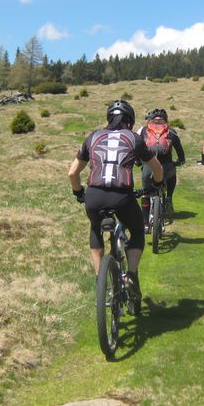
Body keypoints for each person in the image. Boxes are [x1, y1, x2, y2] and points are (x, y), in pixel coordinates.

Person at [68, 100, 163, 302]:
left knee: (95, 229)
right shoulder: (134, 138)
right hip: (122, 196)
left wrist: (79, 193)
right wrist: (155, 185)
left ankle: (99, 279)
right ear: (130, 120)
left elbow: (72, 173)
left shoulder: (93, 137)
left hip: (94, 196)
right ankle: (132, 275)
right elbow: (157, 169)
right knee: (137, 230)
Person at [137, 108, 185, 220]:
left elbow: (136, 146)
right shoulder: (171, 131)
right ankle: (169, 197)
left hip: (149, 167)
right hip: (166, 166)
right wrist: (180, 161)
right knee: (172, 174)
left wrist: (138, 161)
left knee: (145, 193)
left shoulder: (143, 130)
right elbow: (179, 150)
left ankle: (145, 221)